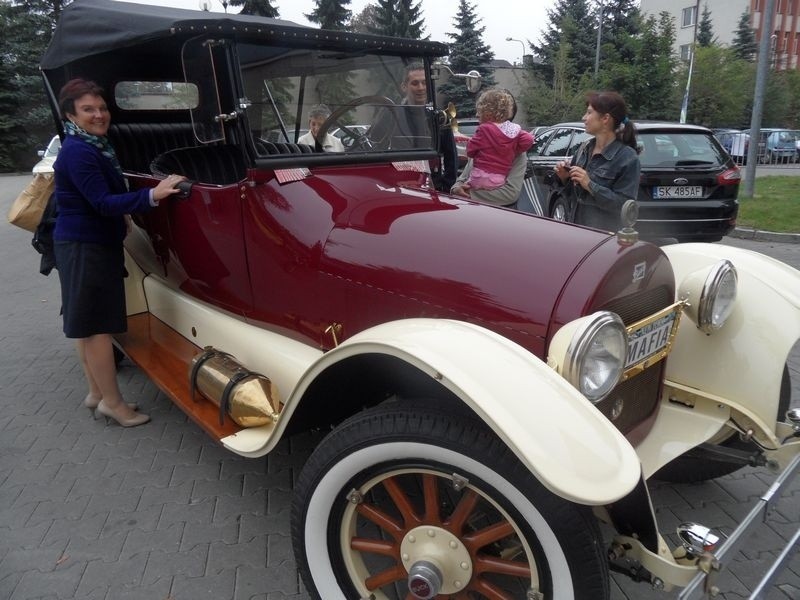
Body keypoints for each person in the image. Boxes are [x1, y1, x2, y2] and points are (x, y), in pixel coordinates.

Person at [53, 78, 186, 427]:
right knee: (97, 328)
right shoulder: (80, 151)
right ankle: (113, 403)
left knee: (84, 324)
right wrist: (151, 196)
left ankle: (97, 393)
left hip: (81, 243)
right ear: (70, 115)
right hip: (87, 246)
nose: (99, 115)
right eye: (88, 110)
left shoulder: (89, 145)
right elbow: (101, 202)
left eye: (102, 108)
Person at [553, 91, 640, 232]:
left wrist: (590, 185)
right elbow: (572, 195)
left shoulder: (627, 158)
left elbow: (624, 207)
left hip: (603, 240)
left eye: (589, 113)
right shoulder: (584, 149)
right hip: (577, 233)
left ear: (605, 118)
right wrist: (564, 177)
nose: (584, 118)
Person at [370, 63, 458, 191]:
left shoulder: (439, 116)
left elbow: (451, 156)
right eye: (415, 83)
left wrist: (446, 186)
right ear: (404, 86)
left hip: (434, 189)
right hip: (399, 187)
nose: (421, 88)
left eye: (424, 82)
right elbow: (374, 146)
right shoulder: (390, 114)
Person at [451, 90, 527, 209]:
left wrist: (470, 193)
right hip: (470, 214)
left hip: (499, 218)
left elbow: (511, 194)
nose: (477, 115)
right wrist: (456, 189)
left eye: (482, 111)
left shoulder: (518, 153)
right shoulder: (482, 143)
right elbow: (463, 178)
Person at [464, 89, 533, 192]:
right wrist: (515, 149)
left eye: (479, 112)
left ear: (486, 112)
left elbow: (470, 151)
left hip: (479, 177)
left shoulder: (484, 129)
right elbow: (529, 139)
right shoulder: (514, 130)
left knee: (465, 189)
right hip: (499, 180)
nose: (477, 115)